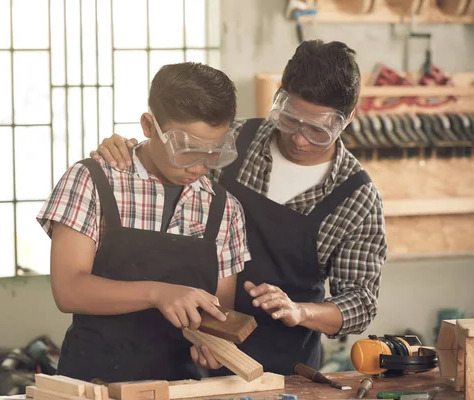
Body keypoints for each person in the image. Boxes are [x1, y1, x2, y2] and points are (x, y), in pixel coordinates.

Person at [89, 40, 388, 376]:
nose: (300, 139)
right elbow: (168, 159)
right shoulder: (233, 140)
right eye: (290, 119)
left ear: (347, 119)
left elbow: (361, 302)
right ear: (280, 96)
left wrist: (300, 311)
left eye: (319, 130)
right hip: (188, 346)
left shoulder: (356, 198)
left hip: (284, 368)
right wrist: (127, 148)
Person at [36, 62, 251, 383]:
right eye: (187, 150)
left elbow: (218, 312)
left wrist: (214, 344)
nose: (200, 167)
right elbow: (68, 291)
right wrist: (158, 293)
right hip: (93, 382)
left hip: (181, 386)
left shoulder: (224, 208)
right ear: (149, 126)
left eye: (213, 152)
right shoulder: (91, 180)